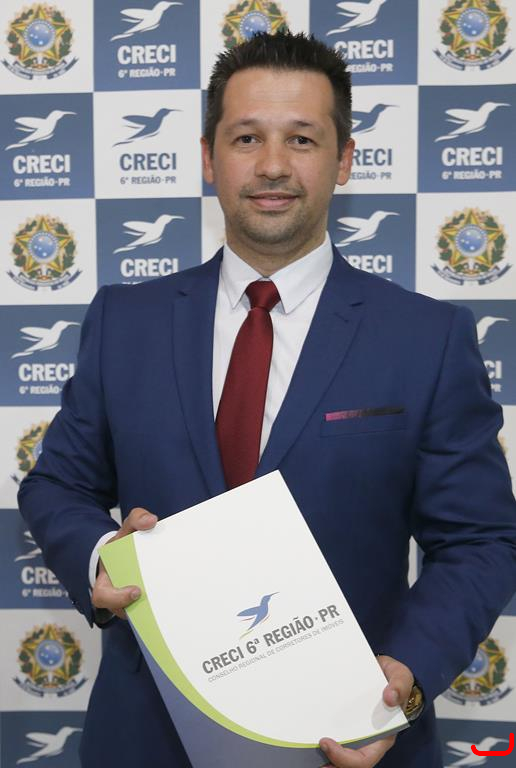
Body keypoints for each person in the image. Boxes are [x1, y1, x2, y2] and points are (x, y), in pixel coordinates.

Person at [18, 32, 516, 768]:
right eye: (247, 137)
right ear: (209, 156)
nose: (274, 165)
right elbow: (57, 484)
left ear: (344, 160)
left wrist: (404, 674)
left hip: (345, 730)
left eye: (302, 139)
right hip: (149, 735)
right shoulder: (126, 321)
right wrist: (101, 555)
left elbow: (479, 540)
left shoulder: (426, 338)